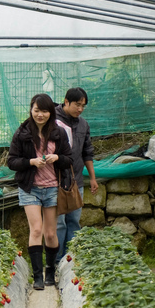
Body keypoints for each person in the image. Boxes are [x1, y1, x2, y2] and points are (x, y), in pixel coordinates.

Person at [8, 94, 73, 290]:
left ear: (50, 112)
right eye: (36, 110)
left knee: (51, 234)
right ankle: (37, 276)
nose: (40, 114)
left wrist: (57, 157)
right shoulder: (22, 133)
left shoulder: (59, 133)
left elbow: (69, 159)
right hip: (30, 188)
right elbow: (12, 161)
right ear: (31, 110)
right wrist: (31, 162)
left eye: (44, 111)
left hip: (52, 188)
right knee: (36, 230)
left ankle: (49, 271)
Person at [55, 87, 98, 264]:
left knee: (74, 221)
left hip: (76, 180)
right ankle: (56, 260)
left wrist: (93, 178)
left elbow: (87, 152)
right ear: (66, 102)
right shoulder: (52, 120)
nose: (80, 109)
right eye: (77, 105)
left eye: (83, 106)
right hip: (55, 181)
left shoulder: (83, 124)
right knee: (59, 223)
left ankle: (70, 261)